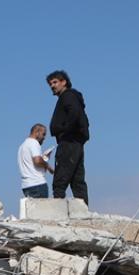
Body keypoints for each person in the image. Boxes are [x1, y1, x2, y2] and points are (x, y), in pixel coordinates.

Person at [46, 70, 90, 204]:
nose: (52, 86)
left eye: (55, 82)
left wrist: (65, 130)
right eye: (50, 84)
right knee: (77, 180)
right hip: (76, 143)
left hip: (68, 142)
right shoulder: (71, 97)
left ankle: (57, 211)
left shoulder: (68, 96)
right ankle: (83, 212)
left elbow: (74, 113)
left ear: (64, 82)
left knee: (60, 179)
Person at [17, 123, 54, 199]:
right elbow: (37, 161)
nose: (44, 138)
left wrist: (44, 158)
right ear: (37, 132)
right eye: (43, 134)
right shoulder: (34, 143)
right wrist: (48, 166)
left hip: (26, 186)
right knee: (42, 210)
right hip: (38, 184)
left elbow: (31, 163)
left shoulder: (22, 146)